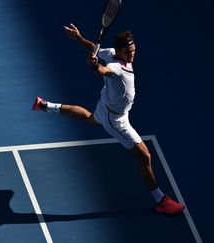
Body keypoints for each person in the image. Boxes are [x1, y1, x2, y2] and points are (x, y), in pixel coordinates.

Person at [32, 23, 185, 214]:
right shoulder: (116, 67)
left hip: (107, 105)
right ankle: (160, 200)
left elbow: (94, 48)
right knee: (144, 156)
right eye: (128, 52)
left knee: (90, 118)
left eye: (133, 51)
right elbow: (104, 71)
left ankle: (44, 105)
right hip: (116, 119)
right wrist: (96, 66)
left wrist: (79, 38)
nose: (132, 55)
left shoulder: (112, 53)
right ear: (120, 52)